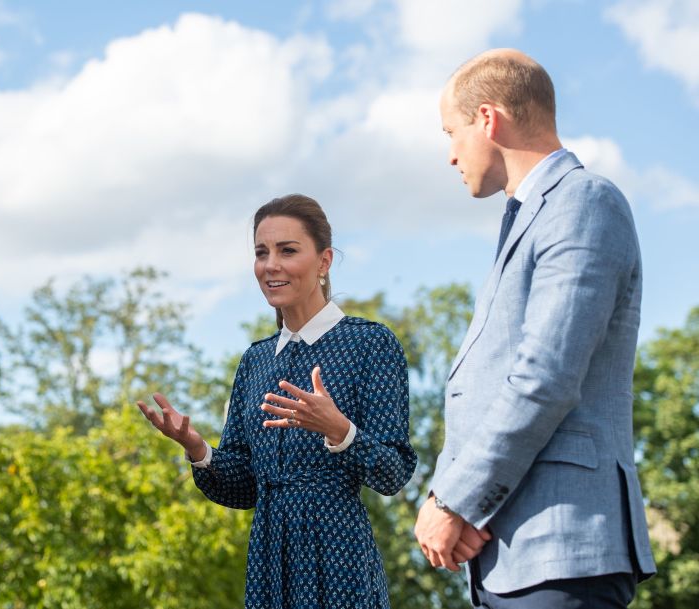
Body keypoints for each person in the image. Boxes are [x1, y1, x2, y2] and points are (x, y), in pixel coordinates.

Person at [414, 49, 656, 608]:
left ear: (488, 119)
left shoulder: (584, 201)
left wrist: (454, 501)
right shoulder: (528, 219)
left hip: (563, 549)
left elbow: (544, 376)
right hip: (506, 555)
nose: (450, 156)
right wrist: (461, 505)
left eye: (451, 132)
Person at [138, 194, 417, 609]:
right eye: (261, 252)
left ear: (324, 262)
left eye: (288, 251)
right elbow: (244, 486)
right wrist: (197, 450)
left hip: (338, 555)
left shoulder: (370, 344)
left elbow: (393, 474)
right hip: (269, 558)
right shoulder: (254, 361)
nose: (271, 265)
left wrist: (340, 431)